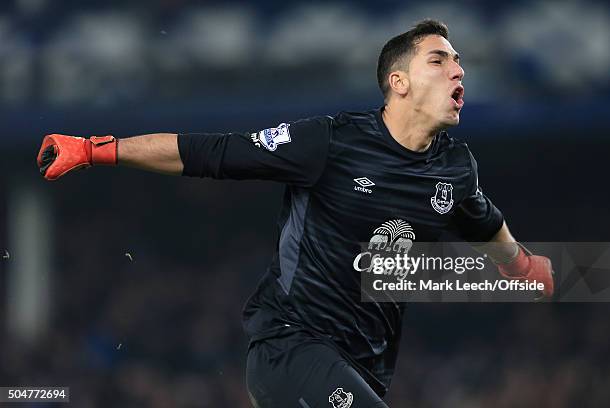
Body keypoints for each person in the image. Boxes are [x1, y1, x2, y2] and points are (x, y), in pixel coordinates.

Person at [37, 19, 553, 408]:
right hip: (291, 348)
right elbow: (211, 152)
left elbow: (484, 222)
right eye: (439, 60)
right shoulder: (329, 141)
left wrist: (519, 267)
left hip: (367, 367)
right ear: (398, 82)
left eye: (458, 61)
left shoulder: (455, 167)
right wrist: (96, 149)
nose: (458, 69)